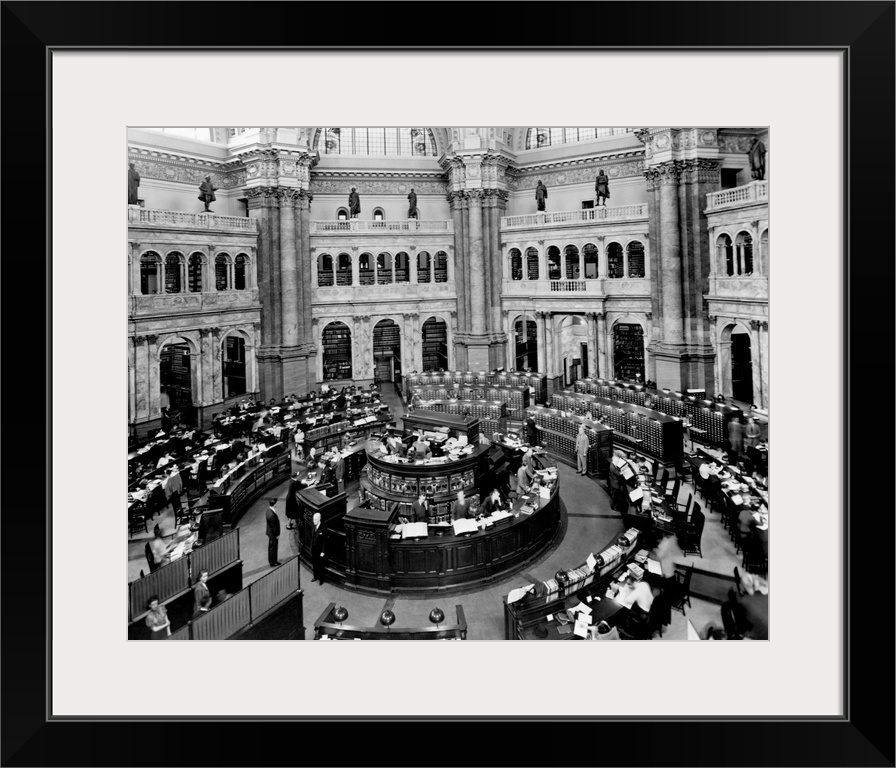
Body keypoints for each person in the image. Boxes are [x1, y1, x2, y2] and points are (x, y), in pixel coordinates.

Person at [311, 512, 327, 584]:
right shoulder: (313, 526)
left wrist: (323, 551)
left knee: (321, 565)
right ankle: (315, 576)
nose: (314, 521)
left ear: (319, 519)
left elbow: (324, 540)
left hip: (320, 550)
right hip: (314, 549)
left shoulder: (323, 527)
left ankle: (321, 579)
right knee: (314, 563)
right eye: (313, 519)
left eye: (315, 520)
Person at [265, 499, 281, 567]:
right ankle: (273, 562)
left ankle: (272, 560)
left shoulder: (268, 510)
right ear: (274, 505)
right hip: (273, 534)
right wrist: (277, 535)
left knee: (271, 547)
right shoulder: (272, 515)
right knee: (273, 548)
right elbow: (274, 527)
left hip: (270, 533)